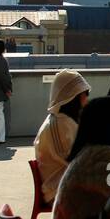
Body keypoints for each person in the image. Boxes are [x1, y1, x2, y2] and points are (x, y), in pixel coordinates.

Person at [34, 69, 91, 202]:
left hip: (67, 185)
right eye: (85, 95)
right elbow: (75, 160)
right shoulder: (60, 125)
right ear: (74, 96)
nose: (87, 100)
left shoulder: (63, 121)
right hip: (60, 192)